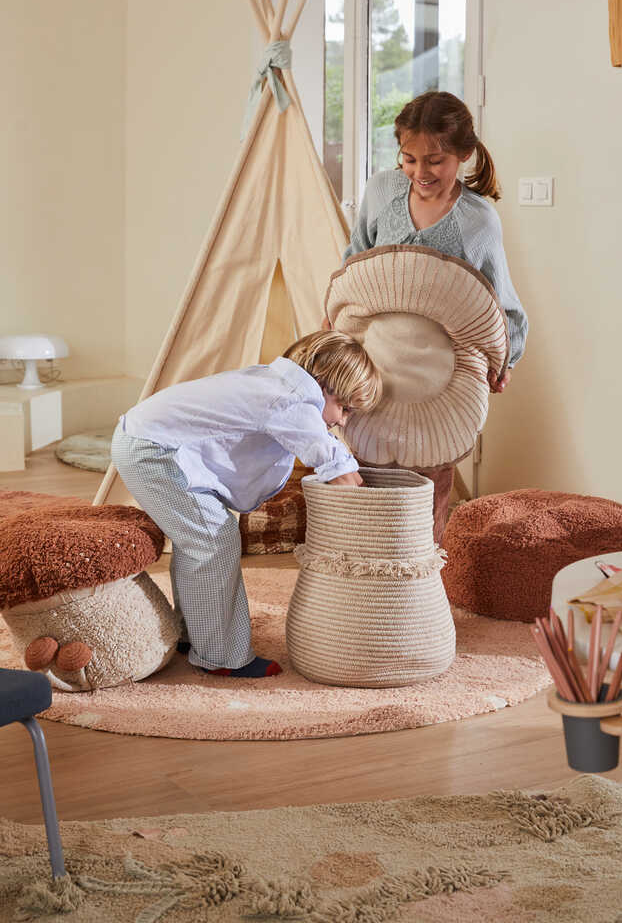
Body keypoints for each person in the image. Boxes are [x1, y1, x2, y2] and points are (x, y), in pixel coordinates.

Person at [111, 331, 382, 678]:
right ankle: (221, 656)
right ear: (324, 384)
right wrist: (376, 514)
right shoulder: (291, 400)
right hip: (154, 451)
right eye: (344, 408)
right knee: (214, 540)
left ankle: (194, 633)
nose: (342, 421)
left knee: (199, 540)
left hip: (147, 440)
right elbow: (336, 467)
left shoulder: (273, 384)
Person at [324, 90, 528, 541]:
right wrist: (332, 322)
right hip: (375, 360)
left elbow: (499, 300)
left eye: (435, 161)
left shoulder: (477, 220)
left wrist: (505, 360)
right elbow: (356, 260)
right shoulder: (382, 191)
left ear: (464, 155)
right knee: (365, 459)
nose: (421, 172)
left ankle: (423, 568)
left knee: (429, 473)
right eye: (409, 159)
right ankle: (366, 564)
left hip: (439, 371)